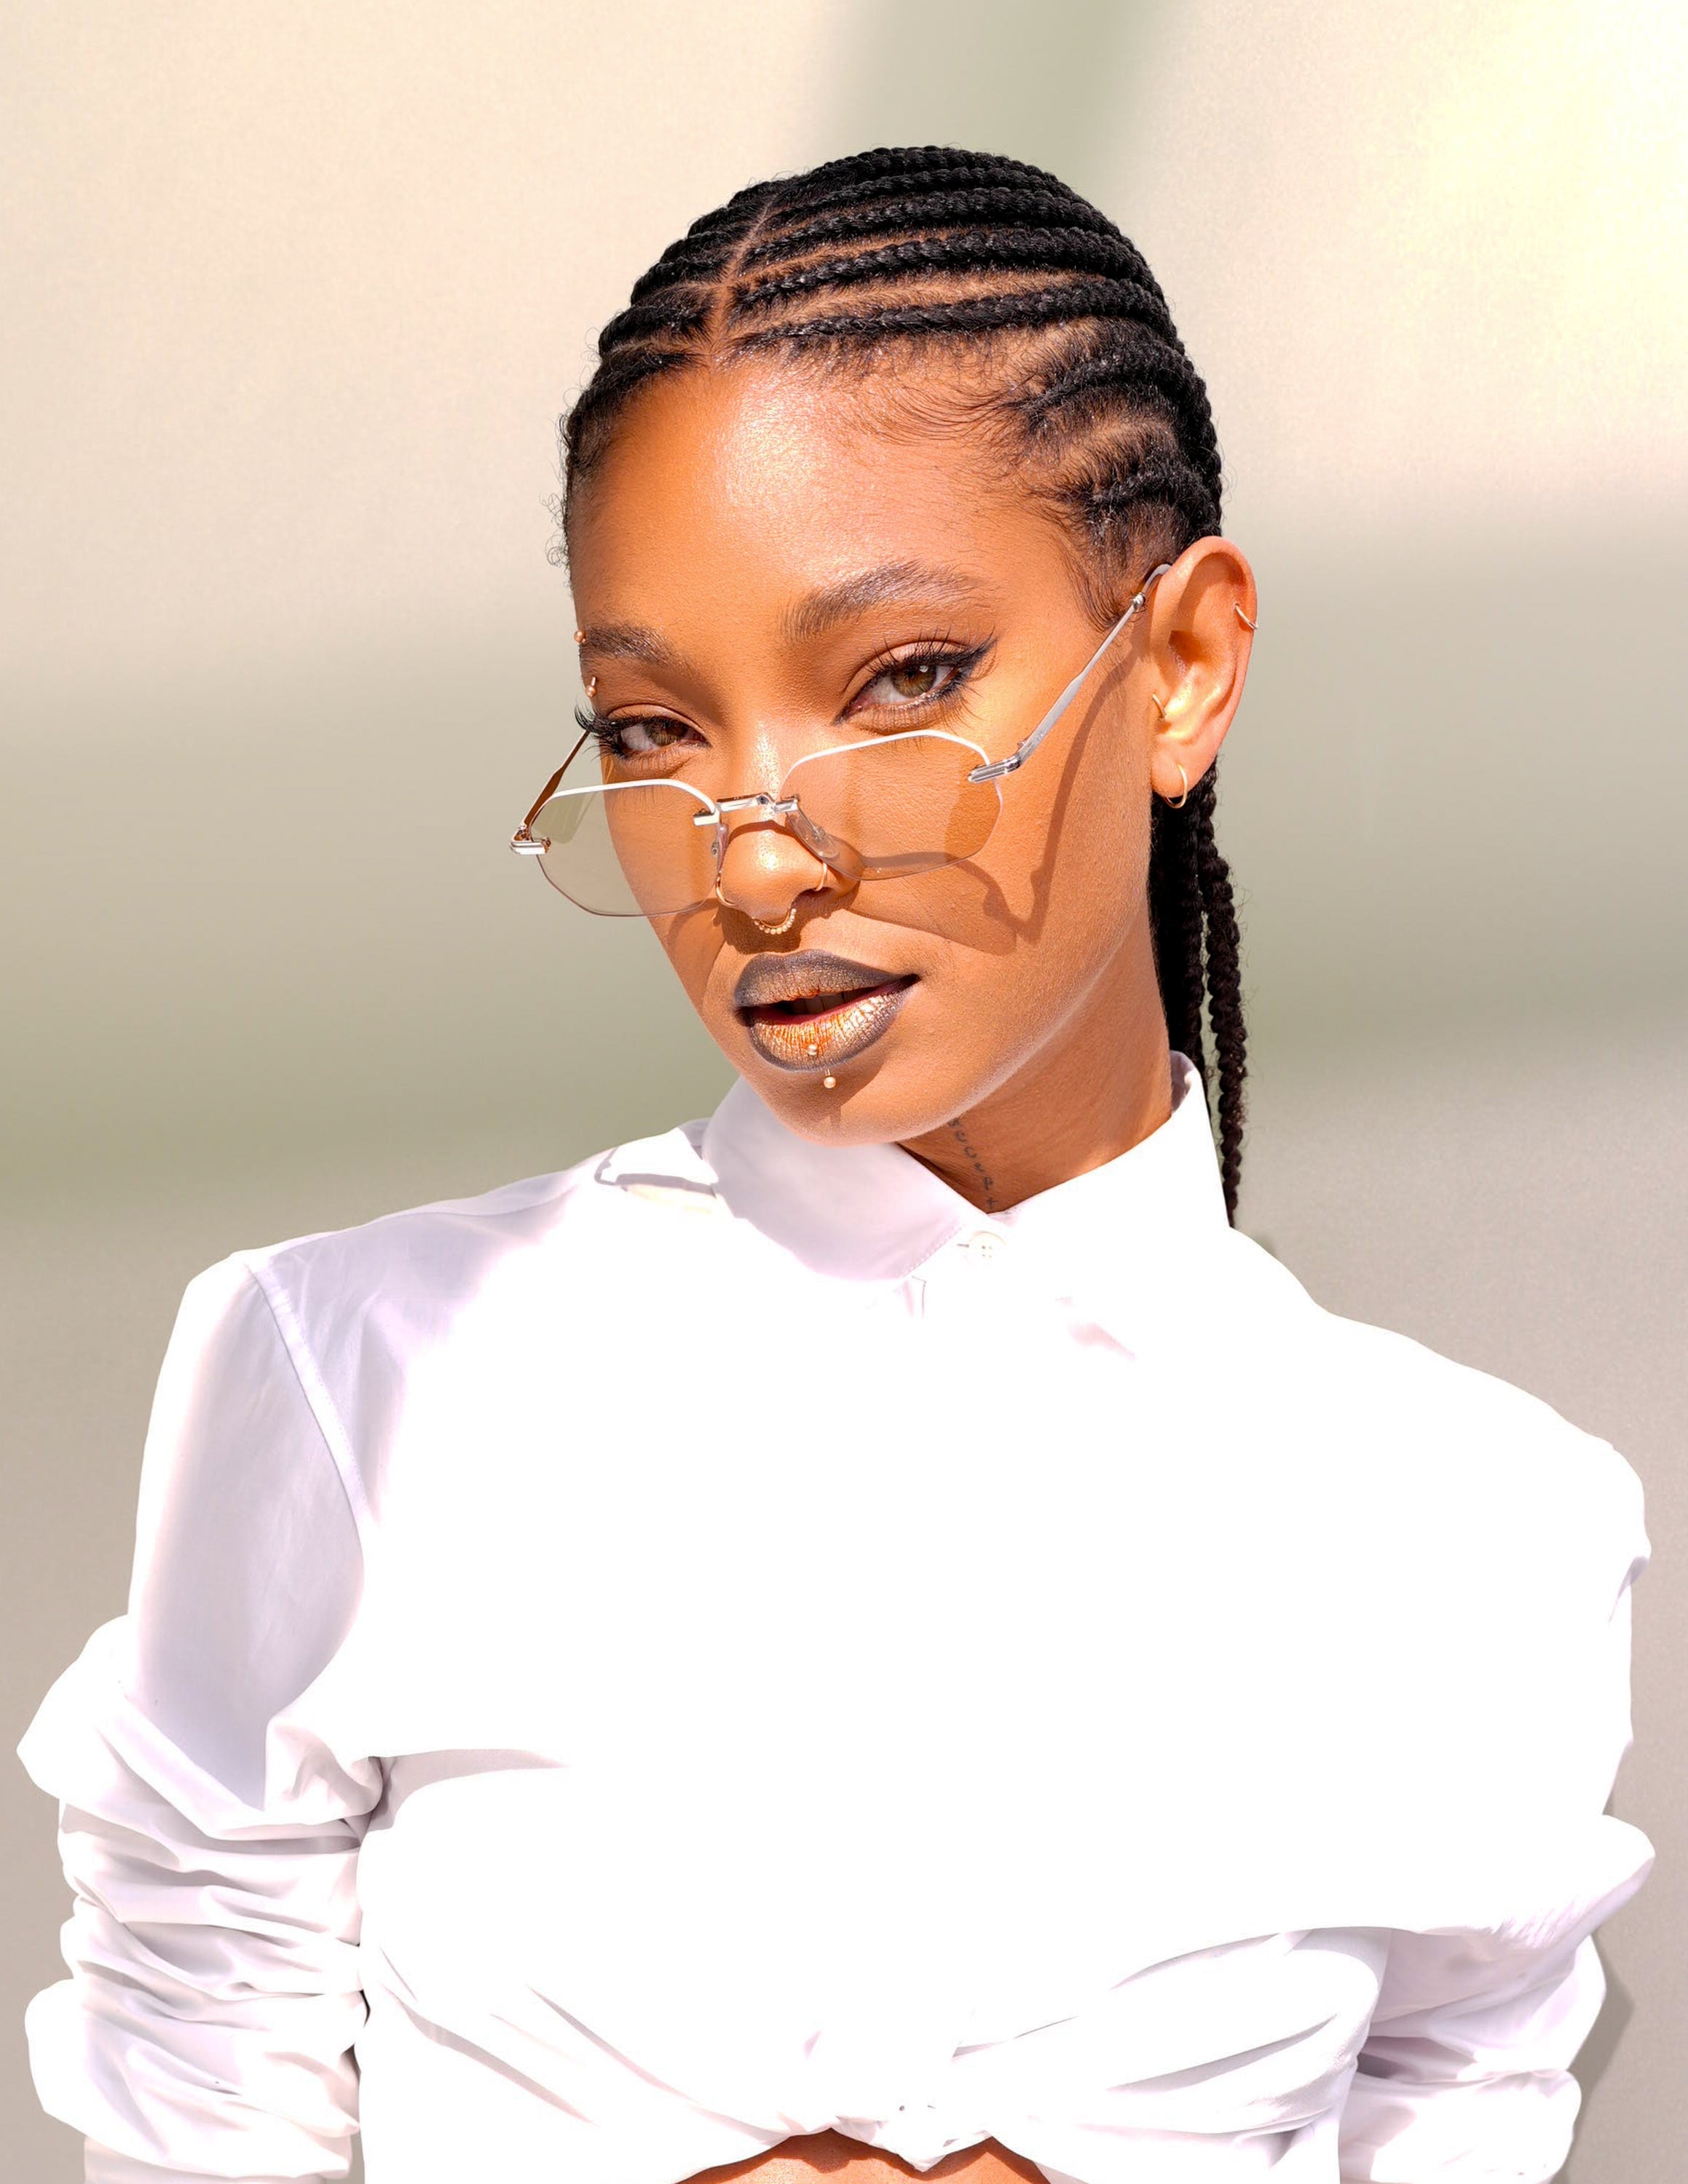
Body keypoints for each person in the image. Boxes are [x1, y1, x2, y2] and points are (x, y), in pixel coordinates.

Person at [22, 145, 1649, 2184]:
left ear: (1184, 665)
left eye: (903, 680)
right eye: (651, 729)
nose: (759, 860)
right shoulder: (356, 1373)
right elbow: (199, 2101)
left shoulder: (1486, 1533)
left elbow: (1457, 2116)